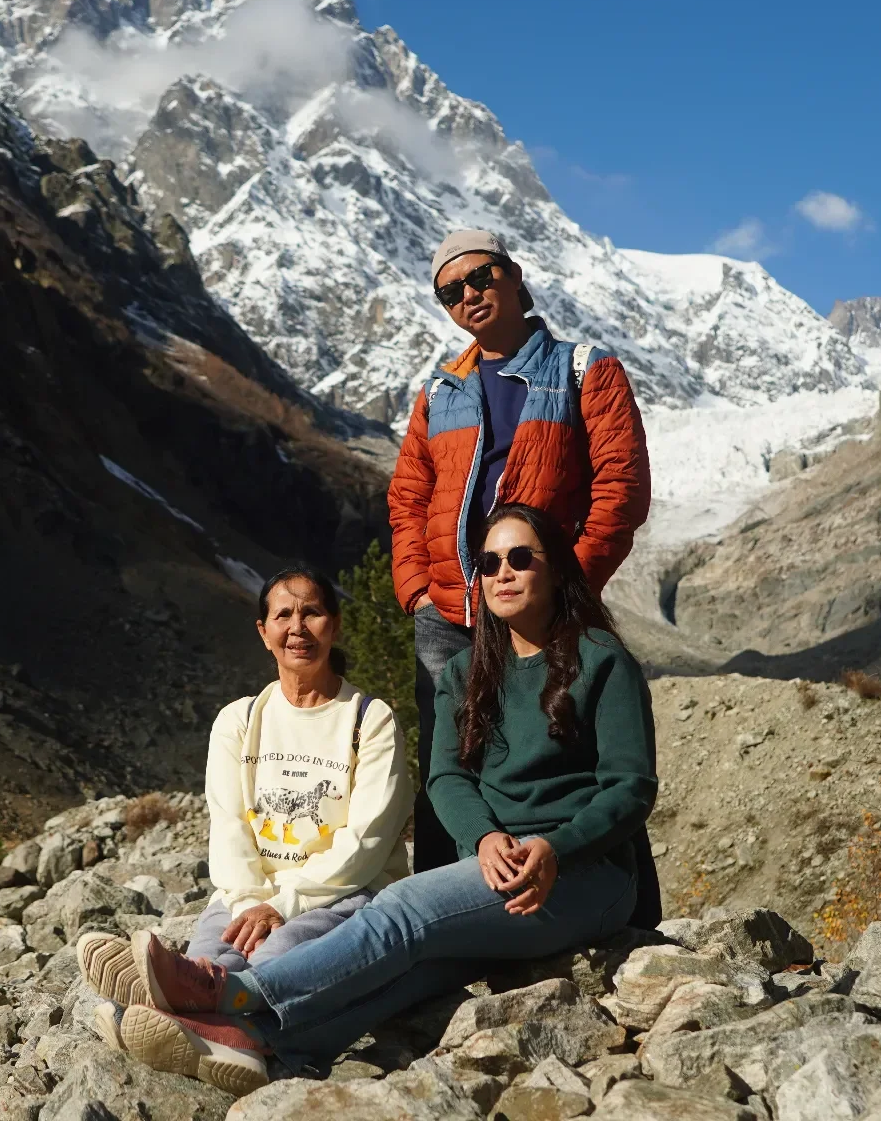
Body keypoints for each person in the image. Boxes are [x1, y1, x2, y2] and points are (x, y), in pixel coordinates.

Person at [87, 505, 657, 1095]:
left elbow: (630, 786)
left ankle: (230, 994)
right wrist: (486, 837)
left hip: (583, 875)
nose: (503, 573)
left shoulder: (601, 660)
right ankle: (263, 1045)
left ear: (558, 570)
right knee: (419, 970)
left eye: (520, 558)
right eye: (489, 562)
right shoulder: (467, 671)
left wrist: (556, 848)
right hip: (496, 869)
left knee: (404, 910)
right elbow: (447, 779)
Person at [390, 228, 651, 873]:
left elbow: (621, 486)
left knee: (573, 752)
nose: (469, 296)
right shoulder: (441, 389)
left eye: (481, 278)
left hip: (545, 604)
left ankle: (601, 892)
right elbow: (408, 495)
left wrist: (564, 582)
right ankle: (446, 902)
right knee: (448, 761)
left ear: (514, 276)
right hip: (450, 612)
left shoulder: (583, 369)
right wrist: (419, 588)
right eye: (450, 292)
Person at [79, 567, 410, 1044]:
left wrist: (282, 905)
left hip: (343, 891)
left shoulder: (369, 720)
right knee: (208, 961)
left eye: (312, 613)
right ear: (264, 632)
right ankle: (187, 1022)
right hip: (250, 892)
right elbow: (230, 826)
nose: (297, 627)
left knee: (279, 954)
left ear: (335, 625)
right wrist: (251, 902)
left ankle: (222, 1035)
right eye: (283, 615)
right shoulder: (239, 720)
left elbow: (368, 842)